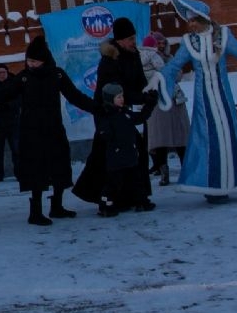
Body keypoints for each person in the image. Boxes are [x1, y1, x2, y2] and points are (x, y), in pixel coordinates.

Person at [152, 0, 237, 200]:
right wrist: (160, 77)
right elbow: (174, 65)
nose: (191, 25)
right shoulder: (189, 42)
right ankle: (210, 185)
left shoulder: (223, 36)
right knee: (205, 141)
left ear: (202, 18)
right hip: (203, 102)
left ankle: (228, 183)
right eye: (189, 21)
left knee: (227, 138)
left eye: (193, 20)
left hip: (223, 99)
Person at [0, 36, 96, 226]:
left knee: (59, 167)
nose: (30, 64)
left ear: (44, 60)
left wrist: (96, 107)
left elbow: (74, 96)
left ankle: (57, 206)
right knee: (36, 171)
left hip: (54, 129)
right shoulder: (24, 78)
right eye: (29, 61)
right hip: (31, 132)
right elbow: (5, 94)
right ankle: (35, 212)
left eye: (34, 61)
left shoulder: (57, 75)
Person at [72, 18, 153, 212]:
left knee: (135, 153)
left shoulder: (133, 54)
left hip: (125, 111)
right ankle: (106, 197)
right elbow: (116, 90)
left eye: (134, 37)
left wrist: (148, 93)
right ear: (119, 40)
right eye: (129, 39)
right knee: (108, 157)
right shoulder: (109, 60)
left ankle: (134, 197)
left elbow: (139, 81)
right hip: (108, 114)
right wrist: (141, 97)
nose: (133, 42)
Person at [94, 83, 157, 215]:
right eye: (118, 97)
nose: (122, 99)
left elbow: (140, 117)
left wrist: (150, 104)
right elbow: (104, 133)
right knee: (113, 184)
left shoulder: (125, 112)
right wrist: (105, 133)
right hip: (116, 157)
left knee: (136, 180)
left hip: (130, 154)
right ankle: (105, 206)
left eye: (122, 96)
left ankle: (142, 202)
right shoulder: (106, 115)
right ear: (110, 99)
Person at [139, 33, 189, 187]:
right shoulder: (149, 60)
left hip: (173, 100)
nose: (161, 46)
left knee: (179, 135)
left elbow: (178, 76)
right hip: (159, 101)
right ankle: (164, 171)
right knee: (161, 137)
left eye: (163, 43)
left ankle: (184, 169)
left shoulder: (169, 58)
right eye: (158, 43)